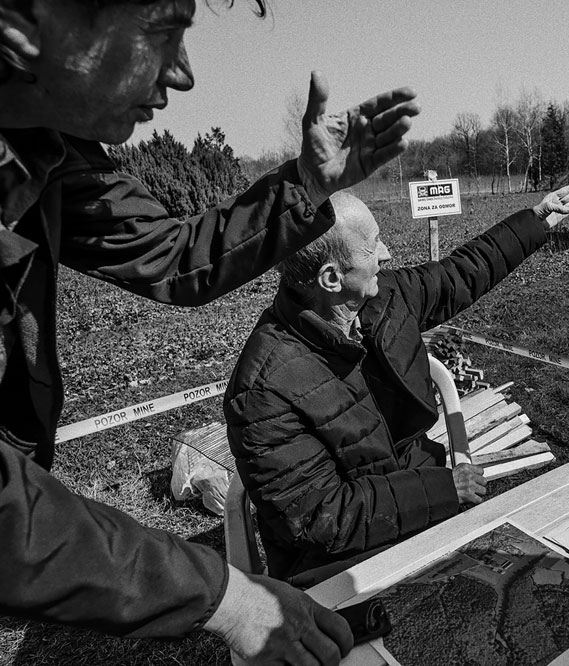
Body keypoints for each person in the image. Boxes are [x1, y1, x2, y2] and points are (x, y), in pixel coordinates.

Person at [0, 0, 421, 663]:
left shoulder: (39, 149)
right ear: (23, 21)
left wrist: (304, 189)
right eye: (164, 30)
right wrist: (223, 596)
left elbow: (172, 253)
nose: (186, 74)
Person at [224, 184, 569, 586]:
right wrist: (445, 488)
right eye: (372, 245)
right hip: (342, 565)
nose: (386, 254)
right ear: (331, 277)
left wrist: (534, 221)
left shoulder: (382, 297)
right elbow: (324, 519)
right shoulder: (262, 391)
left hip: (417, 507)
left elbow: (459, 275)